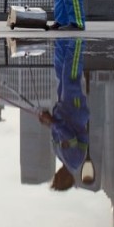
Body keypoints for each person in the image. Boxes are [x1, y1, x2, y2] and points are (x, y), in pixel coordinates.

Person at [38, 38, 94, 191]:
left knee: (60, 70)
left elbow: (59, 134)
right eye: (58, 178)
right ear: (66, 179)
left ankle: (62, 41)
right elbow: (68, 136)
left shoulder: (62, 158)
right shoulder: (74, 160)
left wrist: (49, 122)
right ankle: (76, 42)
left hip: (65, 109)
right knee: (70, 77)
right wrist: (51, 121)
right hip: (74, 110)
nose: (56, 174)